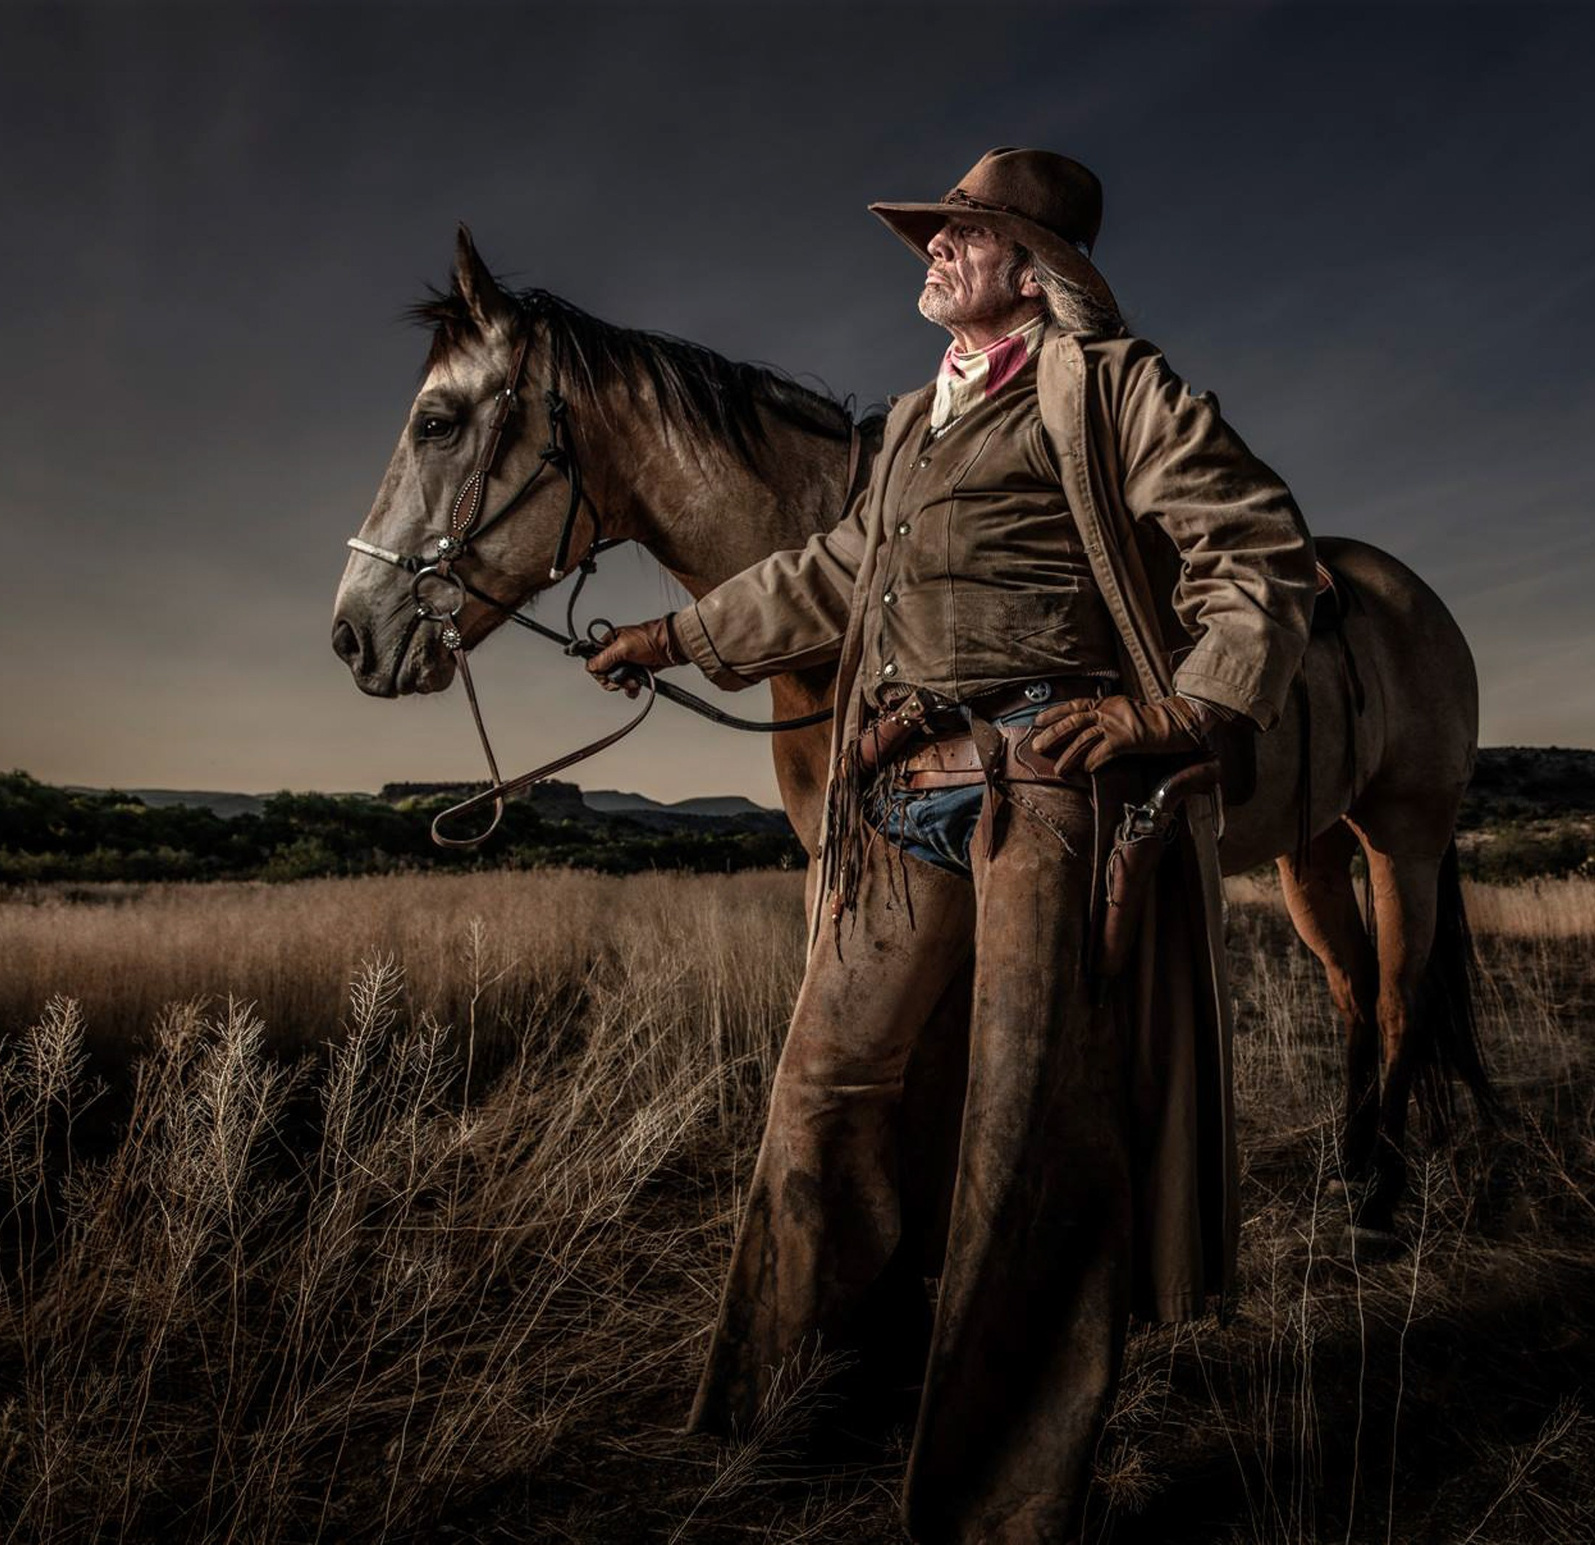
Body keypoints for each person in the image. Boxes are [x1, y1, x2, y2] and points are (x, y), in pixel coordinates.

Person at [586, 145, 1317, 1543]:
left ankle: (1001, 1503)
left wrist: (1185, 705)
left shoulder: (1115, 388)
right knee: (826, 1085)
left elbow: (1259, 548)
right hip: (897, 795)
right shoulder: (920, 418)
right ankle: (805, 1404)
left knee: (1028, 1136)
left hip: (1043, 790)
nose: (932, 248)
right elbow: (835, 571)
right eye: (936, 230)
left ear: (1034, 269)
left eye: (961, 232)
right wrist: (674, 635)